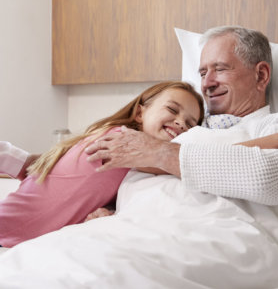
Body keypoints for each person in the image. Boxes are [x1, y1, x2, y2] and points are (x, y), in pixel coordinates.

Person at [85, 26, 278, 207]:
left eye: (219, 69)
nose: (206, 83)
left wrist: (159, 154)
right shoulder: (181, 129)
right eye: (202, 72)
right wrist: (110, 210)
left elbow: (265, 178)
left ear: (260, 75)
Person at [0, 81, 205, 248]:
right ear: (140, 113)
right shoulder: (120, 141)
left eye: (190, 124)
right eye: (172, 109)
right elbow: (183, 164)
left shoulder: (120, 148)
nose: (180, 123)